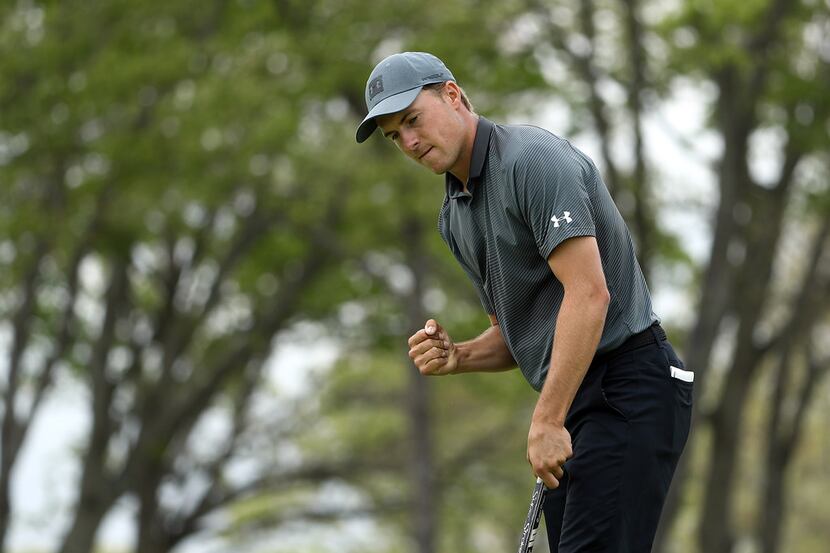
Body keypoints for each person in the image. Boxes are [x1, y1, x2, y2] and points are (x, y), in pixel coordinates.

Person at [356, 51, 694, 553]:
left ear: (452, 96)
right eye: (394, 135)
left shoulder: (531, 161)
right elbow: (519, 337)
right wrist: (461, 356)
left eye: (412, 120)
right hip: (577, 397)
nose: (409, 141)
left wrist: (547, 418)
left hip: (629, 385)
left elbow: (589, 294)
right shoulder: (455, 217)